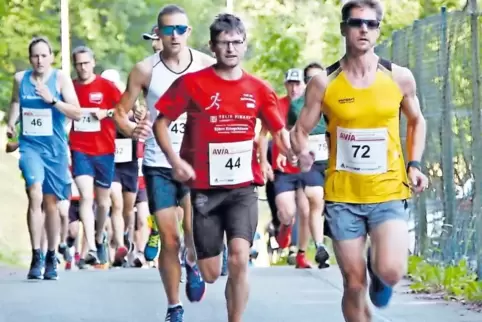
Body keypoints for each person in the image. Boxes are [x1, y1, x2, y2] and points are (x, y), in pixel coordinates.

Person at [290, 0, 428, 320]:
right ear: (344, 29)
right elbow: (300, 131)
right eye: (356, 23)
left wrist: (415, 164)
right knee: (353, 284)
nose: (363, 29)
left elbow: (417, 121)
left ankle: (380, 271)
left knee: (392, 271)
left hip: (388, 191)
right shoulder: (324, 83)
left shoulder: (399, 77)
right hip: (343, 197)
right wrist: (304, 152)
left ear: (378, 31)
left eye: (371, 24)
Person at [154, 13, 290, 322]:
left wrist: (296, 151)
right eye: (224, 43)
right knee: (212, 272)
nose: (231, 49)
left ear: (244, 45)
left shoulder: (258, 88)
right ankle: (199, 261)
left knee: (241, 260)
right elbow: (161, 122)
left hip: (242, 187)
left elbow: (279, 131)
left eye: (236, 42)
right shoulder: (191, 83)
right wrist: (175, 161)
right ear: (212, 47)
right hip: (204, 188)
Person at [113, 4, 216, 321]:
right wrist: (133, 129)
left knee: (193, 231)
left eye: (181, 29)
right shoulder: (145, 70)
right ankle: (174, 306)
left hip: (196, 162)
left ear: (189, 32)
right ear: (158, 33)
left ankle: (192, 262)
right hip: (159, 162)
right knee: (169, 237)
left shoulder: (206, 65)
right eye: (168, 29)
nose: (175, 35)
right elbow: (119, 113)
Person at [6, 36, 81, 280]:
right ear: (30, 59)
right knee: (35, 192)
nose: (39, 60)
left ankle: (51, 254)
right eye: (35, 56)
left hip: (55, 150)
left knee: (50, 203)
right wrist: (10, 123)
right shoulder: (21, 79)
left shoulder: (60, 79)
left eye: (43, 55)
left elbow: (77, 113)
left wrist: (53, 100)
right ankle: (36, 254)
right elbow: (16, 102)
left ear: (51, 57)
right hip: (30, 147)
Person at [70, 46, 122, 266]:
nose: (82, 67)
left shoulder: (106, 86)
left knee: (103, 202)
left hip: (104, 150)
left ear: (93, 62)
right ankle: (90, 246)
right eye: (78, 64)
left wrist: (107, 113)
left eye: (85, 63)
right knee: (86, 196)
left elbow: (124, 108)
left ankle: (100, 236)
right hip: (80, 148)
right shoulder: (70, 88)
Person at [285, 62, 331, 269]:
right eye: (311, 78)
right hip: (310, 160)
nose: (317, 82)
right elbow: (290, 131)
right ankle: (320, 245)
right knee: (315, 197)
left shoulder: (335, 101)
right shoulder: (297, 106)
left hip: (333, 160)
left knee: (329, 203)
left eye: (320, 77)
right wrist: (294, 152)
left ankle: (329, 239)